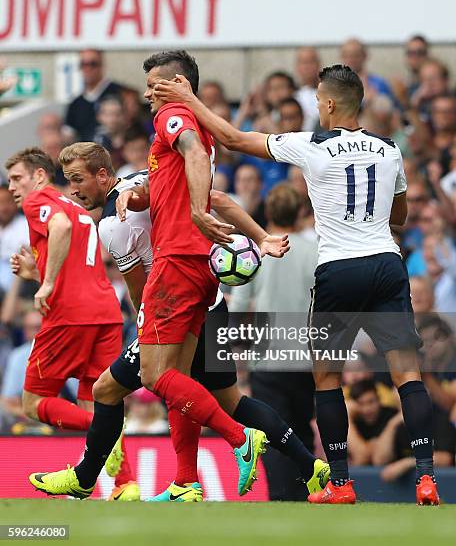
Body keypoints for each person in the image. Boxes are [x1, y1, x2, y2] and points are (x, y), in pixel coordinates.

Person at [154, 62, 440, 506]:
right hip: (386, 263)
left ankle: (341, 484)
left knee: (327, 378)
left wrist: (189, 101)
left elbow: (232, 139)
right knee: (407, 375)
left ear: (326, 103)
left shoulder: (312, 146)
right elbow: (398, 216)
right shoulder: (388, 149)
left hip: (339, 270)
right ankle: (427, 480)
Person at [29, 136, 327, 501]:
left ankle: (89, 475)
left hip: (172, 303)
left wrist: (145, 331)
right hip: (211, 298)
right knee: (223, 397)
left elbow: (139, 289)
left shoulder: (112, 223)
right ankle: (306, 467)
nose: (73, 190)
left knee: (109, 389)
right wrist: (260, 236)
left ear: (103, 175)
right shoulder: (148, 181)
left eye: (77, 179)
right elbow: (214, 200)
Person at [5, 147, 134, 500]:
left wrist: (45, 284)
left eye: (18, 178)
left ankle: (103, 432)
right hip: (106, 311)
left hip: (70, 315)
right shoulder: (76, 206)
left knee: (33, 402)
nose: (13, 187)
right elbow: (75, 258)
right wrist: (37, 272)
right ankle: (126, 485)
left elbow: (58, 228)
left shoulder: (39, 202)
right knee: (99, 399)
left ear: (40, 176)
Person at [230, 182, 318, 500]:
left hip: (267, 357)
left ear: (268, 212)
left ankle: (282, 496)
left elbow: (239, 306)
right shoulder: (314, 250)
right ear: (300, 213)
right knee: (303, 427)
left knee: (275, 430)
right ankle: (311, 491)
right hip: (305, 356)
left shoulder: (257, 251)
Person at [64, 49, 123, 141]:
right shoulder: (75, 103)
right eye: (83, 64)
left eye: (93, 64)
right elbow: (68, 136)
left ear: (102, 66)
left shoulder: (121, 93)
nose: (87, 69)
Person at [0, 185, 29, 294]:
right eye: (0, 203)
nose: (4, 208)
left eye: (8, 202)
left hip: (21, 284)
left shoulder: (25, 225)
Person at [294, 46, 321, 131]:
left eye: (311, 62)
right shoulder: (291, 95)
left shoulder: (329, 94)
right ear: (297, 67)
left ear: (319, 65)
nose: (307, 67)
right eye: (304, 63)